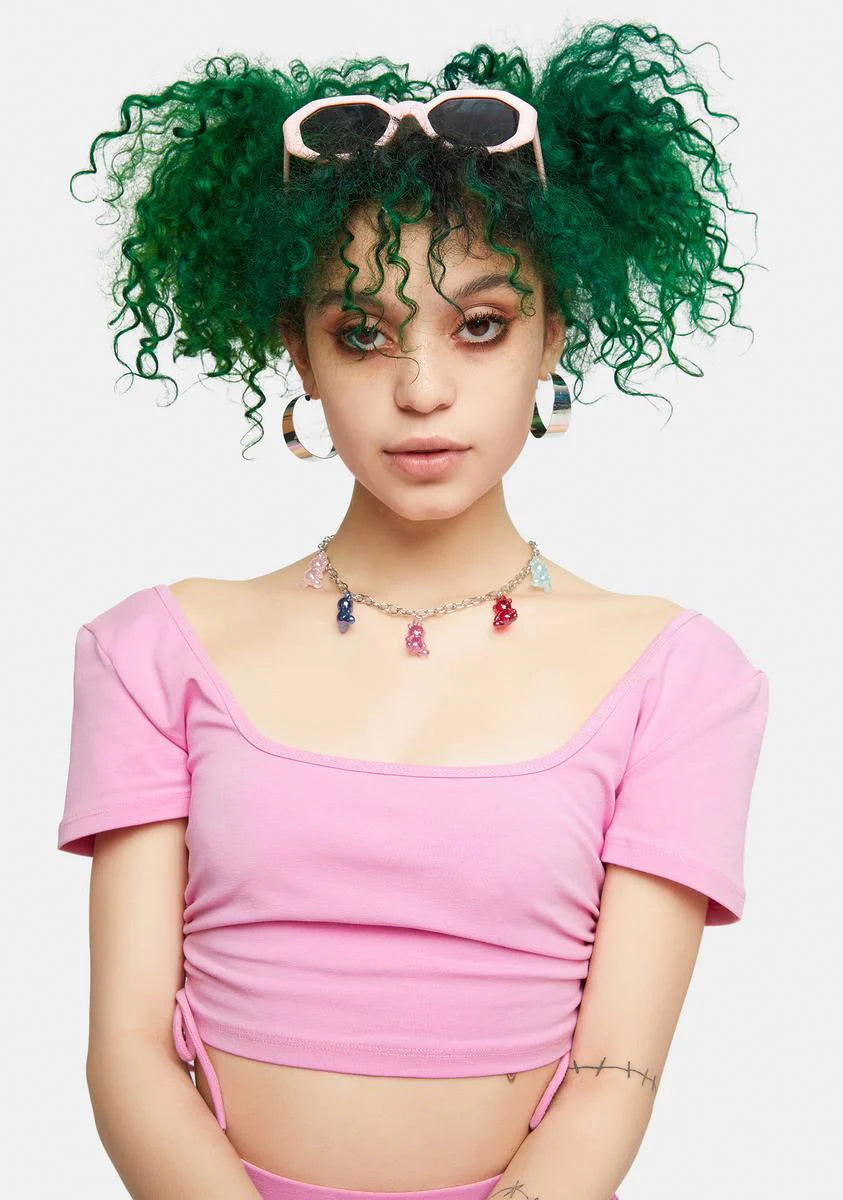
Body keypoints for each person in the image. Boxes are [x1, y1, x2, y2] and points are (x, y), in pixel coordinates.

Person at [57, 20, 771, 1200]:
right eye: (362, 333)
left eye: (480, 326)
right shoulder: (150, 654)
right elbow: (127, 1051)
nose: (423, 389)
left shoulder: (679, 681)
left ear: (554, 335)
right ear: (298, 350)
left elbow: (616, 1075)